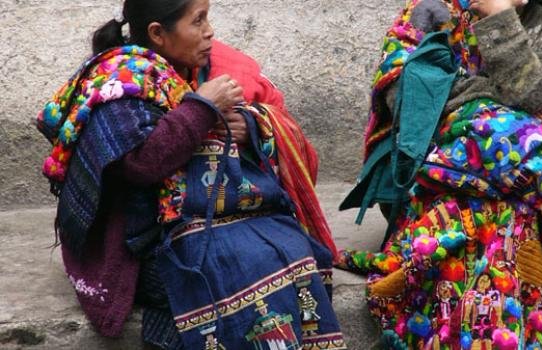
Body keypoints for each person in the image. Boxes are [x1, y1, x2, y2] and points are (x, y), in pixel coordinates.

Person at [36, 0, 346, 349]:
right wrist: (202, 107)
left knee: (294, 244)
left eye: (207, 18)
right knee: (239, 264)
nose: (209, 30)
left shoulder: (177, 71)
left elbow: (218, 136)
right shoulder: (121, 80)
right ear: (158, 33)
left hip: (182, 221)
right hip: (136, 243)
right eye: (198, 21)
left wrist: (246, 125)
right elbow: (141, 165)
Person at [337, 0, 542, 349]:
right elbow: (406, 99)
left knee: (510, 208)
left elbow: (531, 94)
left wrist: (499, 19)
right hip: (437, 167)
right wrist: (487, 106)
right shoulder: (429, 12)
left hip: (521, 176)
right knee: (505, 157)